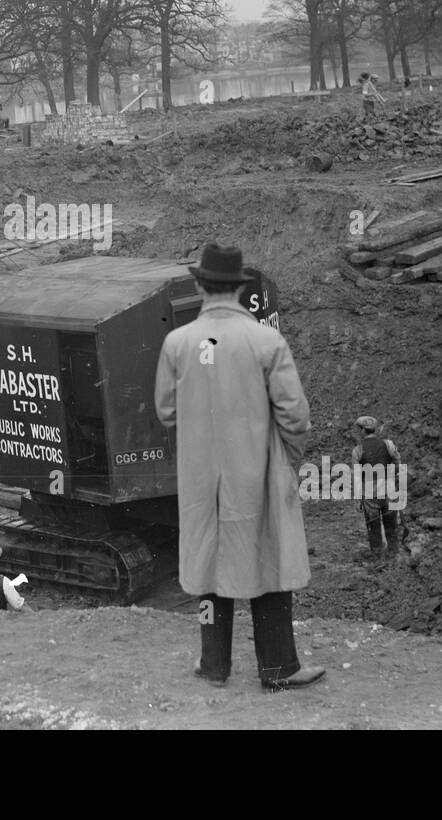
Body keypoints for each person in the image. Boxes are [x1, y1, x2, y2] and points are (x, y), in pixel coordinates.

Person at [154, 242, 325, 693]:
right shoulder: (266, 341)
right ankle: (278, 668)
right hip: (259, 468)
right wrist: (289, 456)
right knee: (268, 562)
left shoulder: (177, 343)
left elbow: (166, 411)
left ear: (199, 285)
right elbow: (295, 414)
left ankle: (214, 665)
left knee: (211, 563)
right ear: (239, 289)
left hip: (201, 475)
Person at [350, 416, 404, 563]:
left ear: (362, 430)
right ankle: (393, 557)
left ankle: (378, 559)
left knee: (373, 528)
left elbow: (356, 476)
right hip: (389, 491)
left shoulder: (358, 451)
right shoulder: (388, 444)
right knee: (391, 526)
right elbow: (397, 461)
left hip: (370, 495)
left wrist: (358, 496)